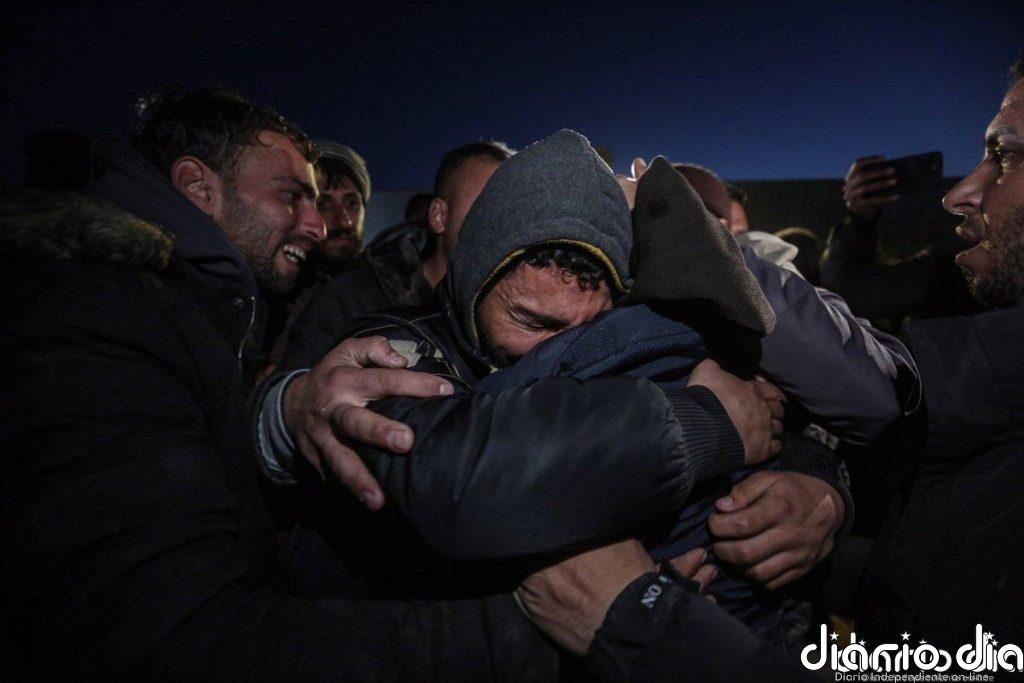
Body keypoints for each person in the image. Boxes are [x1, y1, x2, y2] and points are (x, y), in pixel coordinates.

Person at [0, 87, 569, 680]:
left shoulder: (191, 305)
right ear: (198, 187)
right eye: (292, 195)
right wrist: (548, 637)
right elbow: (163, 639)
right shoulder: (89, 314)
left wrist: (283, 409)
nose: (318, 226)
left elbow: (200, 436)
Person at [260, 131, 915, 638]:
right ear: (472, 284)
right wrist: (708, 423)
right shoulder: (394, 346)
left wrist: (821, 493)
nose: (566, 348)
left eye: (590, 326)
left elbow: (780, 420)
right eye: (532, 320)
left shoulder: (650, 334)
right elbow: (460, 474)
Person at [858, 54, 1024, 654]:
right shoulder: (967, 300)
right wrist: (817, 486)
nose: (959, 194)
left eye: (1006, 156)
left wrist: (646, 617)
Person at [280, 140, 513, 368]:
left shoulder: (519, 308)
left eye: (512, 210)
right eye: (484, 205)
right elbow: (303, 398)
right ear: (439, 216)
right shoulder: (349, 300)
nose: (502, 223)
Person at [819, 154, 983, 323]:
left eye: (1004, 158)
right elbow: (853, 294)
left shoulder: (961, 269)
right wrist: (859, 222)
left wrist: (859, 221)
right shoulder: (950, 272)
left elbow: (849, 292)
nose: (953, 199)